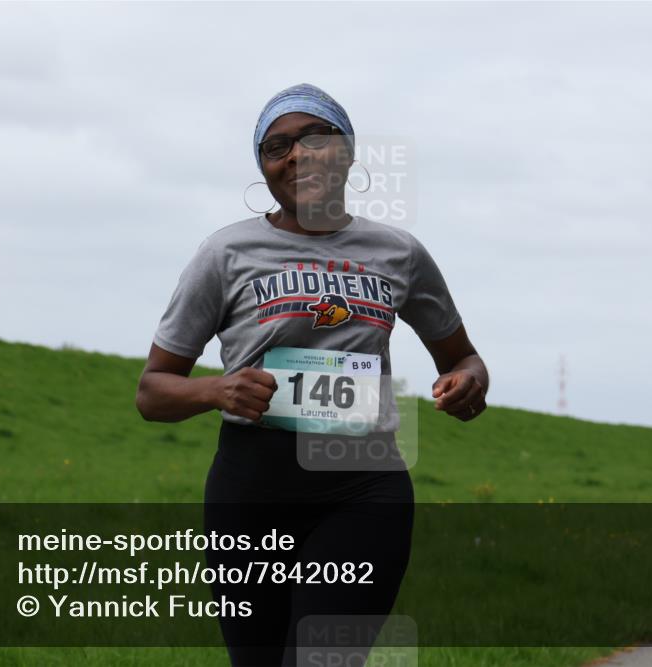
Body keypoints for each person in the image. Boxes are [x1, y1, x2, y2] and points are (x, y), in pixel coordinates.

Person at [136, 82, 489, 666]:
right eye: (276, 148)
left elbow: (462, 358)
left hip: (362, 483)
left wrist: (469, 382)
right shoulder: (225, 253)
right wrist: (218, 389)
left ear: (346, 151)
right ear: (264, 169)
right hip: (251, 486)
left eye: (313, 139)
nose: (296, 156)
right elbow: (152, 391)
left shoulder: (399, 253)